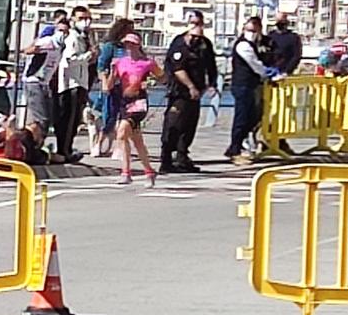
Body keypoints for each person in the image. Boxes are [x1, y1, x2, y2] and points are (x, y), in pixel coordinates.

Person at [160, 11, 217, 173]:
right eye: (193, 23)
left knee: (189, 125)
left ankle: (182, 156)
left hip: (196, 92)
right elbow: (178, 68)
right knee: (173, 124)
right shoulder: (179, 43)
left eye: (199, 23)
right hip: (179, 92)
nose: (196, 27)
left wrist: (210, 85)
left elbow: (210, 66)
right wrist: (190, 86)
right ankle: (166, 159)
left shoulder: (205, 44)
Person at [106, 32, 161, 186]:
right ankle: (149, 171)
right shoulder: (120, 62)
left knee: (122, 131)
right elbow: (108, 86)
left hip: (139, 103)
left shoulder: (147, 63)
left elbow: (162, 77)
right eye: (126, 44)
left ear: (138, 45)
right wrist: (111, 72)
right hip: (125, 101)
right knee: (137, 141)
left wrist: (149, 82)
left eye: (131, 44)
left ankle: (126, 172)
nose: (128, 47)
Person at [51, 7, 95, 161]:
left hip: (79, 81)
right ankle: (64, 150)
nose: (86, 22)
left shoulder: (84, 37)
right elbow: (70, 59)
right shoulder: (73, 37)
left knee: (74, 119)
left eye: (88, 18)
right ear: (73, 20)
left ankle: (66, 149)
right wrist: (89, 55)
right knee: (69, 119)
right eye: (82, 18)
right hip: (72, 83)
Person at [227, 15, 268, 164]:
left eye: (254, 30)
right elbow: (255, 64)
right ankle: (235, 151)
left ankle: (236, 146)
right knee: (242, 118)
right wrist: (267, 72)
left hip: (250, 85)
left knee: (253, 117)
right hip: (242, 85)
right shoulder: (243, 45)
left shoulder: (255, 44)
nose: (251, 32)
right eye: (249, 29)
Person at [93, 17, 133, 157]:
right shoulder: (111, 47)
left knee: (124, 118)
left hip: (128, 87)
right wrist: (105, 82)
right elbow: (101, 67)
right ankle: (99, 142)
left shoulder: (131, 48)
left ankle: (118, 146)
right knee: (109, 116)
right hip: (112, 85)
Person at [22, 18, 61, 145]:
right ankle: (34, 145)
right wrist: (38, 46)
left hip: (44, 83)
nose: (63, 35)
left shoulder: (62, 46)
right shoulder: (49, 41)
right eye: (61, 31)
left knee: (43, 118)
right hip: (34, 82)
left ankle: (34, 144)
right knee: (41, 119)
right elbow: (29, 50)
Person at [264, 12, 305, 79]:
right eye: (279, 21)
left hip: (285, 73)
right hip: (271, 71)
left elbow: (296, 56)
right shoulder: (270, 36)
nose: (281, 24)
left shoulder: (293, 37)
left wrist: (287, 71)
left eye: (283, 21)